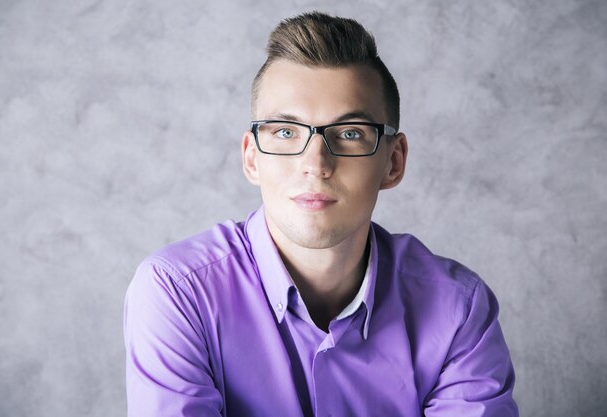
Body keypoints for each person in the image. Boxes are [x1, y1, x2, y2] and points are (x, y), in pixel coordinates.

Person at [123, 11, 519, 417]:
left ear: (393, 162)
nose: (316, 163)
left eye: (349, 134)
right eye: (285, 131)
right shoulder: (178, 293)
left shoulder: (459, 309)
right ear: (251, 157)